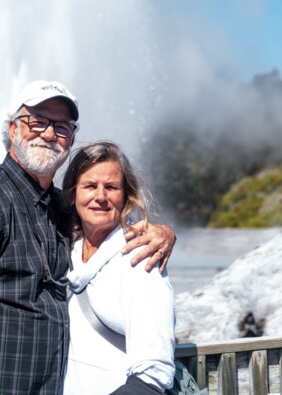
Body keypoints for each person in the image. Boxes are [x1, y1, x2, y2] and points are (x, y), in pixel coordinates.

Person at [0, 80, 176, 395]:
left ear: (71, 138)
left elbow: (105, 221)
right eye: (37, 122)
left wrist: (163, 232)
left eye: (62, 127)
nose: (49, 134)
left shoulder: (59, 210)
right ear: (13, 129)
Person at [61, 141, 176, 395]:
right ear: (72, 195)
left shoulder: (140, 261)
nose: (100, 197)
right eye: (90, 186)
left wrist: (165, 233)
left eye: (111, 187)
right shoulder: (62, 253)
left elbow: (154, 372)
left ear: (125, 197)